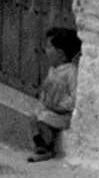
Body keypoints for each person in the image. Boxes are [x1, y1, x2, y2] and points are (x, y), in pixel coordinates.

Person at [28, 26, 82, 162]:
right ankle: (39, 145)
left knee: (44, 119)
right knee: (34, 116)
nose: (45, 50)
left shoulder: (71, 72)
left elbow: (74, 97)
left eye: (48, 47)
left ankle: (47, 147)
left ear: (60, 54)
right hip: (49, 109)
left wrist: (59, 107)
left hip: (62, 114)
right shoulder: (53, 70)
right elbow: (47, 89)